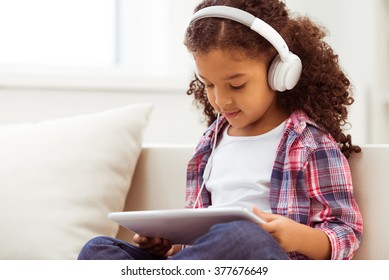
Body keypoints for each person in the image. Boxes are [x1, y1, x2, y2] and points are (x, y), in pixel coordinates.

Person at [78, 0, 363, 260]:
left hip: (267, 261)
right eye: (208, 84)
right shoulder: (210, 143)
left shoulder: (310, 143)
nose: (220, 100)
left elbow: (346, 232)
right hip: (208, 264)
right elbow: (202, 238)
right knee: (98, 249)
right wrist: (171, 243)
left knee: (241, 235)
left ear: (281, 72)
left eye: (236, 85)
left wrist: (296, 236)